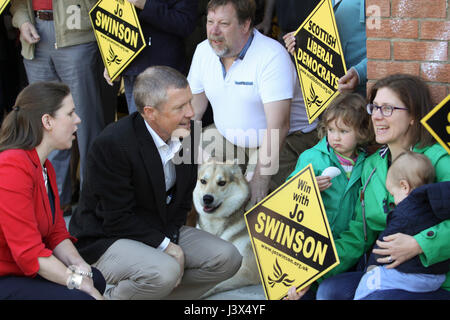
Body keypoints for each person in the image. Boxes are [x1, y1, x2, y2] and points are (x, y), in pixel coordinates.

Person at [69, 66, 242, 300]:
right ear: (150, 113)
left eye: (189, 102)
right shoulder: (113, 143)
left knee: (228, 258)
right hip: (106, 238)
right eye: (180, 107)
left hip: (159, 228)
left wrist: (167, 240)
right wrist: (168, 247)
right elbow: (117, 218)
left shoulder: (186, 135)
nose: (191, 112)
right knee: (164, 270)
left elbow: (182, 203)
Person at [315, 74, 450, 300]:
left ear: (413, 116)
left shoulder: (438, 161)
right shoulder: (372, 165)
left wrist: (419, 244)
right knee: (328, 291)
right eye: (374, 107)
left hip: (436, 281)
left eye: (387, 108)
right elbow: (360, 233)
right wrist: (311, 273)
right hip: (388, 273)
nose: (376, 116)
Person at [188, 0, 318, 209]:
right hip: (229, 137)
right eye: (210, 21)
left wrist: (260, 178)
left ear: (245, 24)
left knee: (254, 202)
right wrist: (183, 154)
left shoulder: (271, 56)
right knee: (187, 168)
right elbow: (192, 112)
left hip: (287, 138)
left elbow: (279, 125)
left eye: (223, 23)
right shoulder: (203, 51)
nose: (213, 31)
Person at [0, 82, 105, 300]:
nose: (78, 119)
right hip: (6, 275)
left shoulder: (44, 165)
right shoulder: (11, 167)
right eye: (70, 113)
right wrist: (79, 283)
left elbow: (56, 232)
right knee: (82, 296)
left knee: (96, 279)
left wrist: (80, 267)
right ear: (47, 121)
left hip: (23, 268)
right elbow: (29, 253)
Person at [10, 0, 112, 214]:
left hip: (78, 36)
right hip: (35, 35)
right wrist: (22, 21)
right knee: (45, 125)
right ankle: (54, 201)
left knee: (86, 124)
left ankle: (91, 204)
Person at [354, 151, 450, 300]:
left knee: (370, 282)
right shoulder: (436, 203)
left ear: (404, 186)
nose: (393, 199)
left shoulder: (404, 212)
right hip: (438, 276)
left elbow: (384, 244)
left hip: (416, 277)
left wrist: (371, 267)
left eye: (393, 193)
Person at [286, 93, 373, 239]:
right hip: (310, 239)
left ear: (362, 133)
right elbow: (288, 192)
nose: (335, 137)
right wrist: (308, 185)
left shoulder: (366, 165)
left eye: (343, 131)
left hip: (344, 240)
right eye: (331, 130)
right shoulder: (312, 157)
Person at [104, 0, 198, 114]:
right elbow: (113, 16)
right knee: (138, 128)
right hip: (131, 68)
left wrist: (145, 5)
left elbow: (186, 24)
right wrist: (112, 61)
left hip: (162, 71)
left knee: (162, 128)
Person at [283, 0, 367, 96]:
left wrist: (360, 73)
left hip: (364, 94)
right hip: (331, 94)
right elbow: (327, 30)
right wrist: (302, 37)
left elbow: (387, 46)